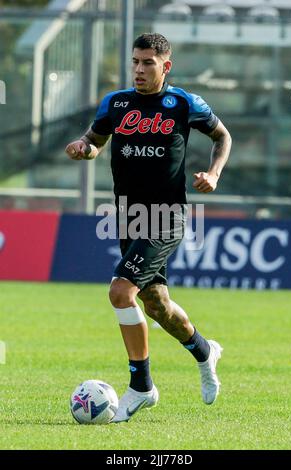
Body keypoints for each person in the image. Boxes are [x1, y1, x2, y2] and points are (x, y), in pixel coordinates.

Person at [65, 33, 232, 423]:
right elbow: (95, 140)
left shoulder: (182, 103)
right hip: (128, 215)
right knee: (156, 304)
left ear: (165, 66)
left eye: (148, 63)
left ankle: (142, 386)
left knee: (121, 293)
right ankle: (205, 352)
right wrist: (82, 147)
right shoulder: (116, 103)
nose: (139, 70)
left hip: (166, 215)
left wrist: (214, 173)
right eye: (135, 62)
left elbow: (222, 135)